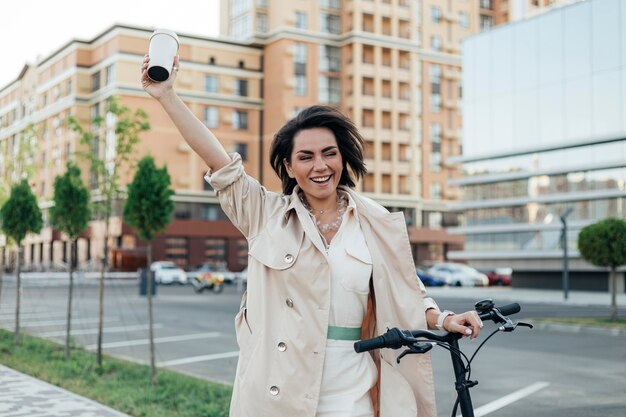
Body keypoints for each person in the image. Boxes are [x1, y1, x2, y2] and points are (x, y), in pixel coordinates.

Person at [141, 55, 483, 417]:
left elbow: (406, 289)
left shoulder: (375, 220)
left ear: (343, 158)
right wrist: (167, 95)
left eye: (329, 154)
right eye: (305, 157)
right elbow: (219, 162)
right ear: (289, 166)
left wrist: (443, 319)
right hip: (280, 385)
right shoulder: (265, 215)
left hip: (354, 384)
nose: (319, 166)